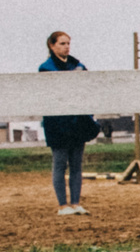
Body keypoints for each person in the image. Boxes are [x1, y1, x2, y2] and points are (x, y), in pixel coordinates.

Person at [37, 31, 97, 216]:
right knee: (60, 165)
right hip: (58, 125)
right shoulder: (45, 68)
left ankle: (76, 203)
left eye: (68, 43)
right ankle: (63, 205)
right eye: (62, 43)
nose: (66, 47)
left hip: (77, 123)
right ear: (52, 46)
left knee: (77, 166)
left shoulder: (78, 65)